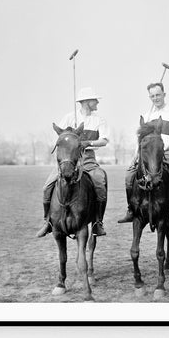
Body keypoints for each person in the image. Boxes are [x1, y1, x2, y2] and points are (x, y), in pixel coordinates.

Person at [36, 87, 109, 238]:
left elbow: (104, 140)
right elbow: (58, 138)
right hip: (68, 161)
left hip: (88, 159)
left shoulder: (99, 120)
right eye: (94, 100)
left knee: (100, 182)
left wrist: (87, 142)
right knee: (47, 187)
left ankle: (97, 223)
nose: (97, 102)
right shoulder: (69, 117)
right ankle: (47, 221)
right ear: (86, 102)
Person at [117, 82, 169, 225]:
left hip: (168, 150)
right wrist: (136, 155)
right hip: (148, 154)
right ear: (150, 97)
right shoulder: (147, 115)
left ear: (164, 95)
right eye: (153, 96)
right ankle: (131, 209)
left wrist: (163, 148)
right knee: (129, 175)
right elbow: (141, 140)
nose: (156, 98)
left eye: (158, 95)